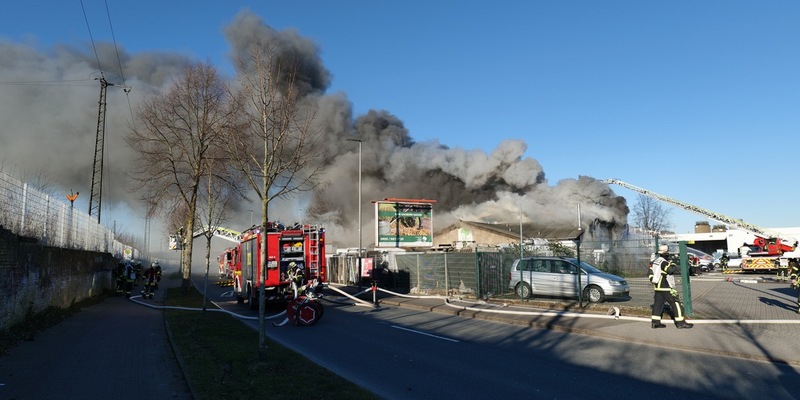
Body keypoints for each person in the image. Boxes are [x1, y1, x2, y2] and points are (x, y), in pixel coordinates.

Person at [650, 245, 693, 329]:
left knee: (658, 305)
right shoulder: (663, 262)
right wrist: (672, 263)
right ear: (666, 253)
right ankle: (680, 323)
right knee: (676, 303)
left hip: (657, 287)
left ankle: (655, 323)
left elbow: (650, 272)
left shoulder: (656, 261)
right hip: (666, 287)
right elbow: (670, 270)